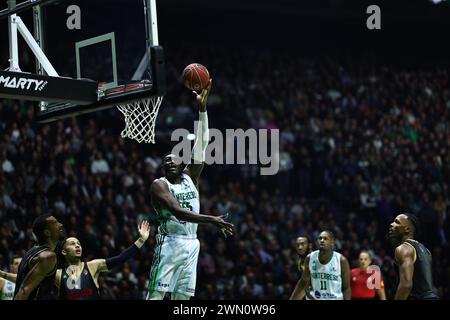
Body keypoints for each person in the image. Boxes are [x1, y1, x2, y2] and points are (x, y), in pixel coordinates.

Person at [146, 79, 235, 300]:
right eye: (165, 161)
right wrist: (212, 220)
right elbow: (178, 212)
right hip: (169, 243)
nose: (168, 162)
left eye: (173, 159)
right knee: (156, 295)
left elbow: (203, 142)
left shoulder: (190, 176)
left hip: (191, 243)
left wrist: (202, 109)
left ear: (182, 162)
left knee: (183, 298)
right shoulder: (159, 185)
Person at [55, 220, 151, 300]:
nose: (77, 246)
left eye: (79, 244)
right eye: (72, 244)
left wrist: (142, 239)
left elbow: (120, 258)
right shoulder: (58, 274)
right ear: (63, 252)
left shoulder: (92, 266)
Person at [388, 213, 439, 300]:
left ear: (407, 229)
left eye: (397, 222)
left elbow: (406, 285)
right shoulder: (426, 251)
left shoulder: (403, 249)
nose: (391, 224)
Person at [14, 214, 65, 300]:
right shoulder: (48, 256)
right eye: (55, 223)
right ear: (47, 233)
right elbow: (23, 291)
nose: (61, 225)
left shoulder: (31, 252)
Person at [290, 230, 351, 300]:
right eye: (320, 238)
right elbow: (303, 282)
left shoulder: (341, 260)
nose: (322, 240)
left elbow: (346, 288)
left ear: (332, 243)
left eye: (325, 239)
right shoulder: (310, 258)